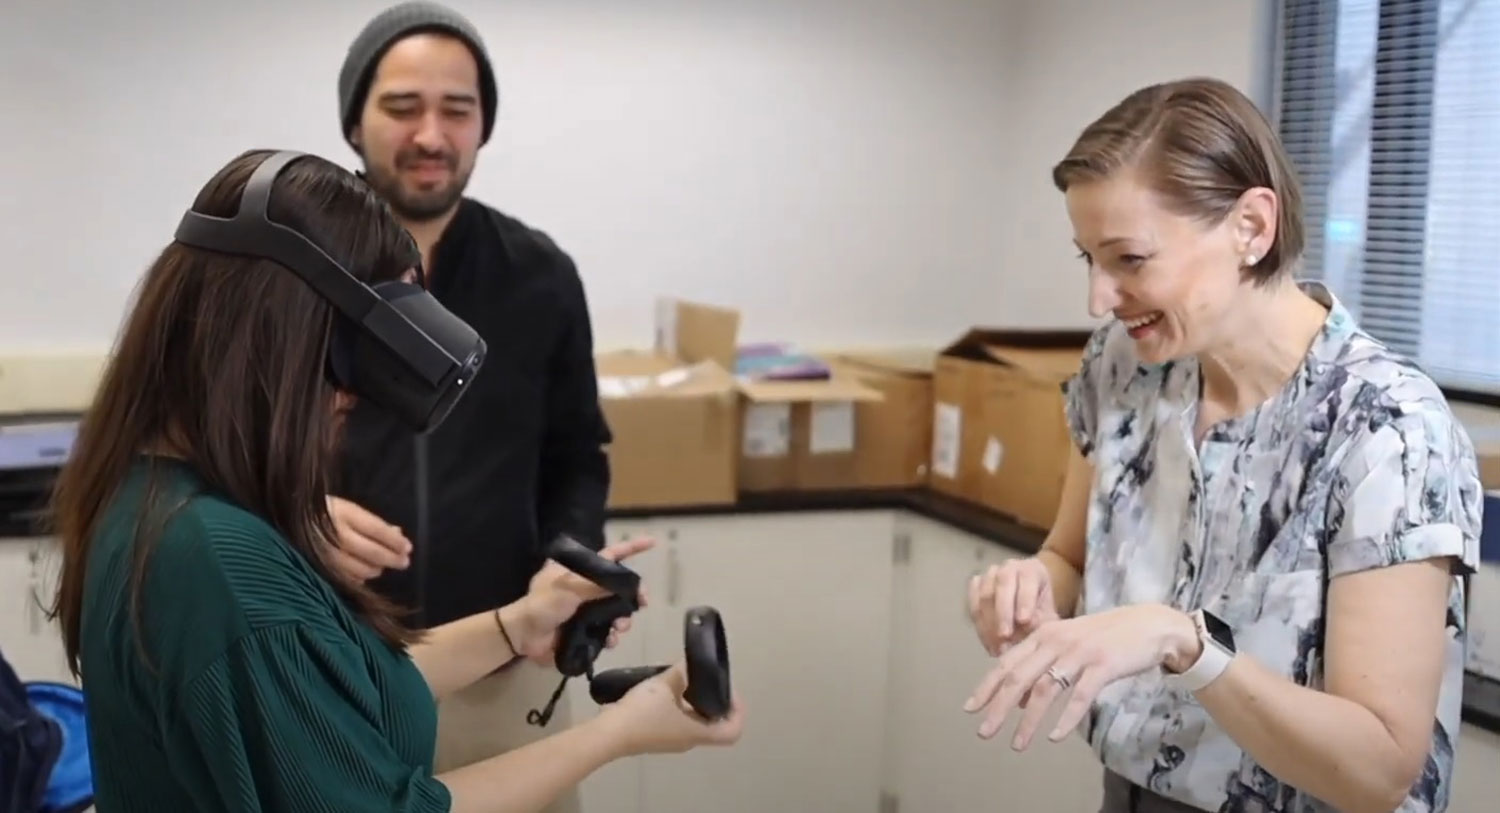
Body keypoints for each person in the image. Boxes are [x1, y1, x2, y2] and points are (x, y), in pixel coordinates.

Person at [47, 149, 743, 813]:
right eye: (347, 372)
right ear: (283, 341)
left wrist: (515, 624)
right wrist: (618, 732)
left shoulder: (155, 496)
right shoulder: (220, 560)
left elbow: (338, 691)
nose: (348, 405)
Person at [963, 77, 1480, 812]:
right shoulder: (1125, 366)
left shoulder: (1386, 427)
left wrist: (1188, 645)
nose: (1097, 299)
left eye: (1130, 260)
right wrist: (1031, 586)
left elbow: (1379, 767)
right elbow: (1069, 556)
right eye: (1088, 259)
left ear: (1250, 228)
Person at [323, 2, 617, 794]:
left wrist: (568, 557)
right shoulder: (286, 274)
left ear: (483, 126)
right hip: (325, 676)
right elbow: (205, 458)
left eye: (458, 110)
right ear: (354, 121)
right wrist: (297, 512)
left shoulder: (540, 275)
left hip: (502, 670)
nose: (431, 135)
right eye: (401, 107)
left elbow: (577, 455)